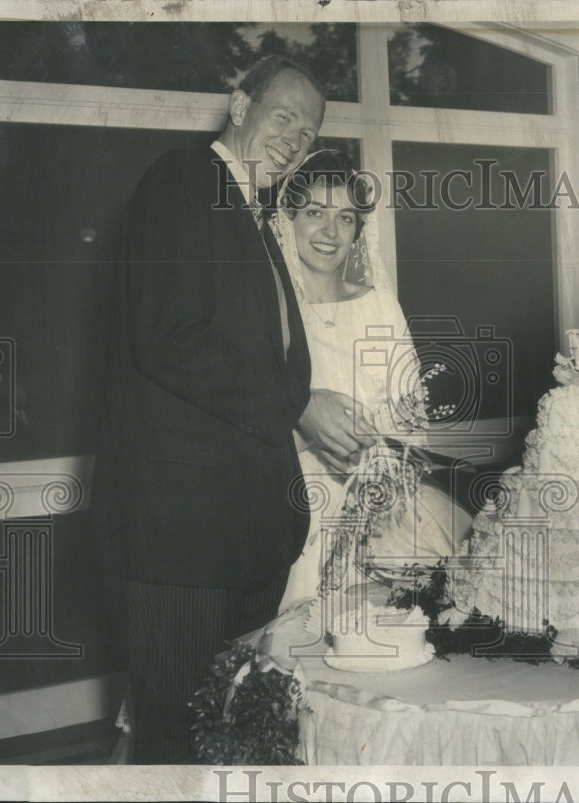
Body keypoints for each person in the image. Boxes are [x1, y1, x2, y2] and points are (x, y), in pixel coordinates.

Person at [92, 58, 374, 764]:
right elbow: (168, 335)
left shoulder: (254, 218)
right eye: (283, 117)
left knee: (234, 744)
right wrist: (298, 405)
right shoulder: (182, 181)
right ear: (239, 103)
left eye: (307, 134)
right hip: (179, 546)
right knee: (176, 750)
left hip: (248, 546)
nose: (293, 139)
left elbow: (268, 352)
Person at [265, 150, 473, 619]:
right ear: (287, 218)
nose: (330, 232)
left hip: (385, 510)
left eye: (345, 218)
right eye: (315, 212)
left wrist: (386, 480)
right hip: (291, 509)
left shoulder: (379, 306)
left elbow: (410, 411)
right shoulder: (266, 314)